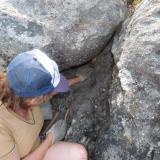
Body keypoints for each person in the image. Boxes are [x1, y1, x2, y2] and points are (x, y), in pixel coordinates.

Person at [0, 49, 88, 160]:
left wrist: (79, 79)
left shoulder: (15, 81)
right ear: (33, 100)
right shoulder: (2, 127)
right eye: (49, 94)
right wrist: (50, 139)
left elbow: (58, 87)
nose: (52, 95)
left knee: (78, 153)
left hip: (35, 146)